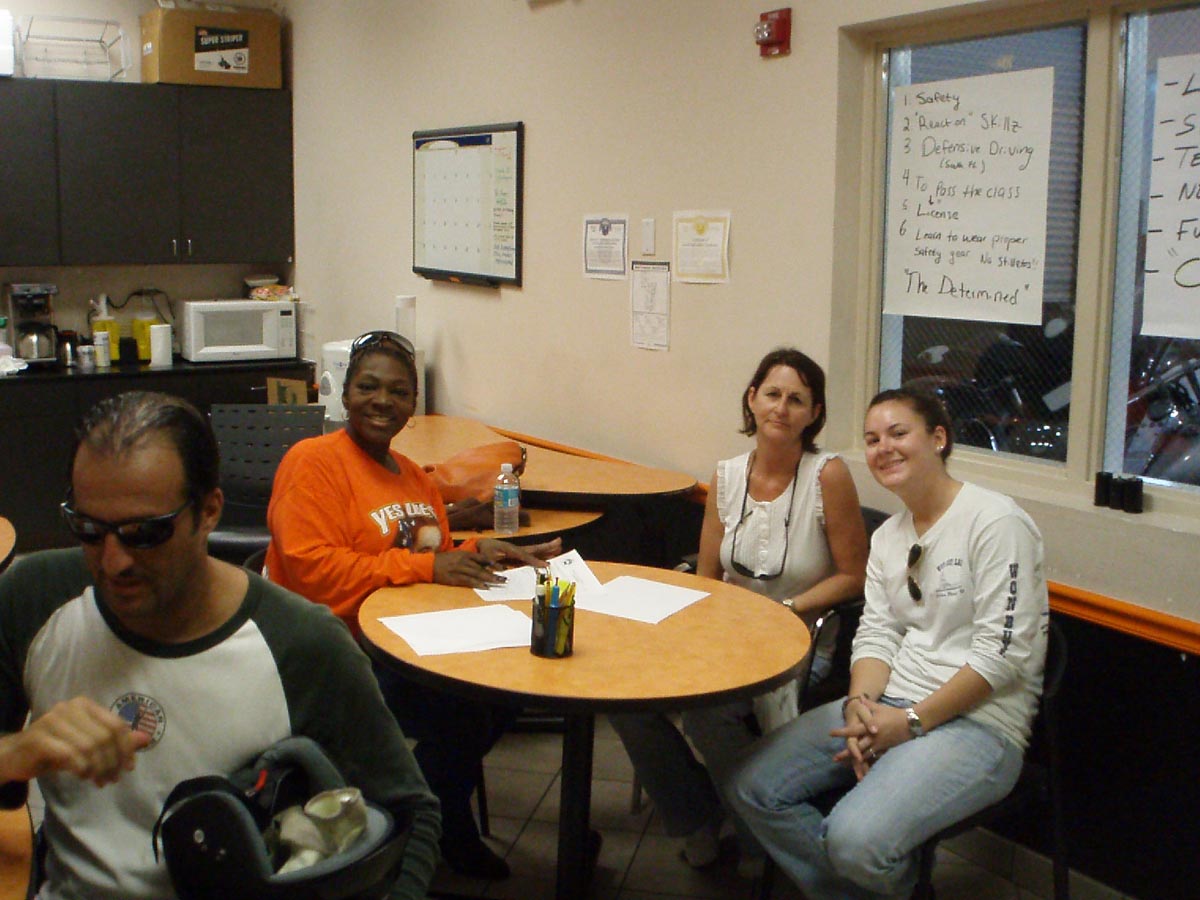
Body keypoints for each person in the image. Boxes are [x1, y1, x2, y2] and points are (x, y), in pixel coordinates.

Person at [0, 391, 441, 900]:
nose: (114, 562)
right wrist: (15, 754)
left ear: (209, 511)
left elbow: (413, 813)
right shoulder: (33, 598)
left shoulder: (301, 643)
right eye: (89, 530)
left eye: (145, 533)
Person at [727, 387, 1050, 899]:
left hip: (980, 725)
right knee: (750, 785)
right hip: (889, 704)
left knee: (853, 841)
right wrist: (860, 704)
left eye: (899, 433)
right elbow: (877, 633)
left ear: (938, 438)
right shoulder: (889, 536)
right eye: (873, 439)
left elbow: (1001, 656)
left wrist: (912, 721)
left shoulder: (996, 522)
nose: (884, 448)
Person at [265, 330, 560, 880]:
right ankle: (434, 820)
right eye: (368, 387)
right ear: (345, 393)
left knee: (509, 689)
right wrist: (429, 567)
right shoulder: (313, 462)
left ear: (413, 404)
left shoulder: (414, 480)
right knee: (465, 713)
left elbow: (430, 557)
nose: (382, 401)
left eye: (398, 392)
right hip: (336, 656)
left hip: (413, 640)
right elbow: (314, 572)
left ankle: (421, 809)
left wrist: (478, 551)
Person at [609, 347, 868, 872]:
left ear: (814, 413)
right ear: (752, 400)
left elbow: (854, 575)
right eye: (772, 394)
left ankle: (757, 835)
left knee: (709, 712)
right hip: (726, 634)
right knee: (622, 694)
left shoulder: (828, 475)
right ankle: (696, 817)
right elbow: (707, 577)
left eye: (797, 400)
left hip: (798, 640)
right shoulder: (727, 476)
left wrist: (786, 609)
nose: (781, 408)